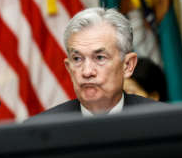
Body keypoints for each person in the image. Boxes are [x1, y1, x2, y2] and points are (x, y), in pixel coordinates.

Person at [26, 7, 164, 121]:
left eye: (99, 58)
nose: (87, 72)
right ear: (68, 68)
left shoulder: (163, 122)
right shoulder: (38, 130)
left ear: (127, 65)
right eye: (77, 59)